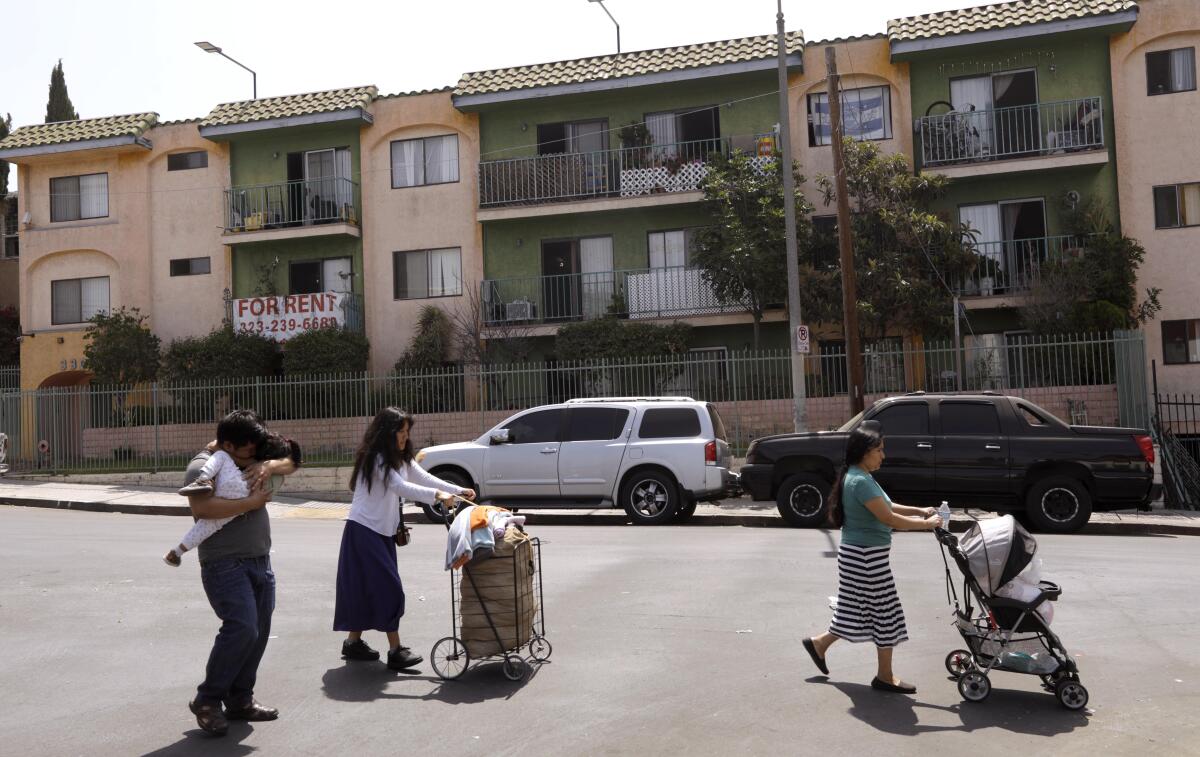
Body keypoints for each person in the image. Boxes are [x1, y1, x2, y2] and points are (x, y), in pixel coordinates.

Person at [801, 420, 942, 694]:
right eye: (879, 449)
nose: (883, 455)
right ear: (864, 451)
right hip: (866, 558)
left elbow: (887, 506)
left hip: (861, 555)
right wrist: (929, 524)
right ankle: (885, 677)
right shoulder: (860, 481)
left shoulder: (859, 476)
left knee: (857, 609)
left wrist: (920, 510)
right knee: (885, 612)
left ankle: (819, 644)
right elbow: (888, 518)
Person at [185, 410, 298, 737]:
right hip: (224, 563)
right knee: (243, 627)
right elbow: (201, 509)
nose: (253, 455)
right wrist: (250, 504)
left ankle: (240, 698)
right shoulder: (201, 467)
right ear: (228, 445)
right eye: (248, 451)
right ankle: (207, 700)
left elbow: (293, 458)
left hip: (260, 560)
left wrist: (270, 465)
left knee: (259, 630)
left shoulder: (249, 453)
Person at [336, 407, 475, 671]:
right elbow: (400, 487)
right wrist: (437, 496)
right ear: (386, 433)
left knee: (366, 587)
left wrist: (458, 490)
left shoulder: (399, 457)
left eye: (406, 432)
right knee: (389, 589)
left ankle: (353, 643)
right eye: (400, 432)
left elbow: (422, 477)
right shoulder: (377, 458)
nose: (404, 437)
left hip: (381, 532)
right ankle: (396, 650)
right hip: (364, 530)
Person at [166, 432, 302, 566]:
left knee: (221, 456)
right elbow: (202, 510)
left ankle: (203, 480)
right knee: (207, 527)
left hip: (257, 554)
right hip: (227, 557)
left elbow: (290, 464)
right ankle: (178, 551)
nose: (251, 450)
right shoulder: (276, 473)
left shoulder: (256, 463)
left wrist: (268, 466)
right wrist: (253, 500)